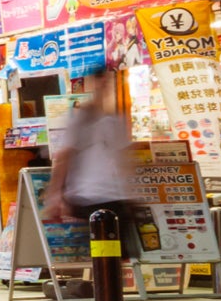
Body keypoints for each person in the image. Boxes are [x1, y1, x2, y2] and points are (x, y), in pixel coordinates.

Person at [47, 64, 150, 276]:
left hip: (115, 194)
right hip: (89, 194)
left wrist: (132, 191)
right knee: (104, 248)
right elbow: (64, 156)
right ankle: (103, 290)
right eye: (102, 82)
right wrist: (55, 194)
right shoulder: (82, 118)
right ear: (93, 84)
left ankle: (107, 292)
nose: (106, 87)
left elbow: (123, 158)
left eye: (109, 83)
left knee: (117, 252)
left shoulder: (115, 120)